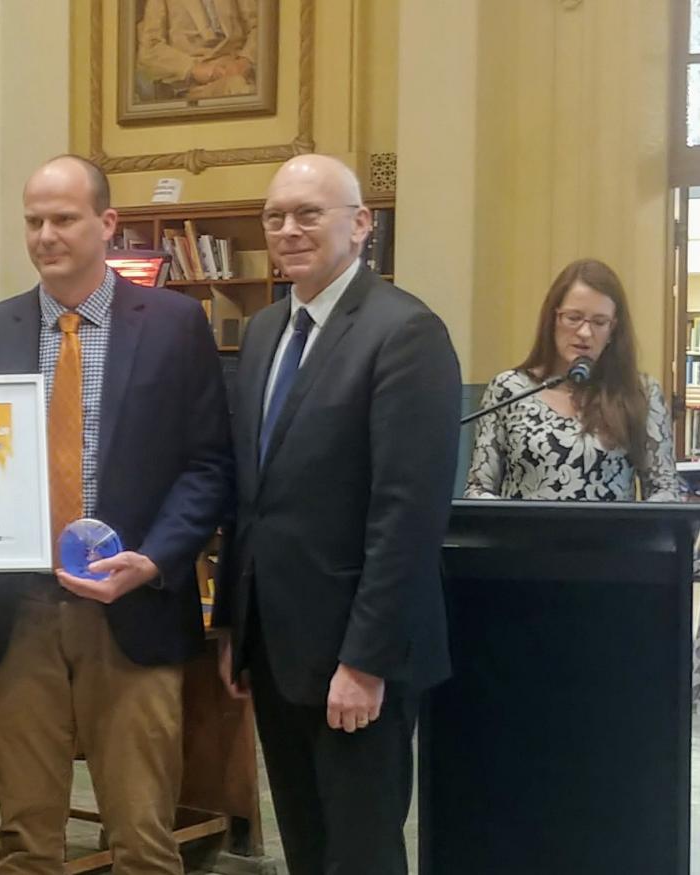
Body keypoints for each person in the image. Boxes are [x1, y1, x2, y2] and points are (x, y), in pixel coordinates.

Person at [0, 155, 232, 874]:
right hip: (22, 613)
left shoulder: (174, 324)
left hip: (133, 608)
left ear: (107, 224)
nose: (47, 235)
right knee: (24, 838)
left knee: (142, 836)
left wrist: (158, 557)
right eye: (34, 221)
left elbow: (208, 466)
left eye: (64, 219)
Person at [213, 154, 462, 874]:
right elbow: (249, 495)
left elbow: (406, 516)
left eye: (307, 213)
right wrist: (235, 619)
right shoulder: (263, 332)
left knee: (360, 851)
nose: (287, 229)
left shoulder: (405, 333)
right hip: (277, 644)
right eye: (274, 216)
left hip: (359, 656)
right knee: (307, 844)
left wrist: (366, 659)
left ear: (361, 224)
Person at [465, 258, 681, 501]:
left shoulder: (641, 392)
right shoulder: (508, 389)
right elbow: (478, 488)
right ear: (553, 318)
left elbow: (665, 490)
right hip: (523, 538)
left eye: (599, 322)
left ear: (613, 330)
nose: (584, 333)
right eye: (573, 318)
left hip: (614, 538)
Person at [136, 0, 257, 100]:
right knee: (239, 89)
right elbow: (150, 48)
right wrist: (192, 69)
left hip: (238, 68)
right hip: (195, 85)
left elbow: (259, 26)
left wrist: (245, 60)